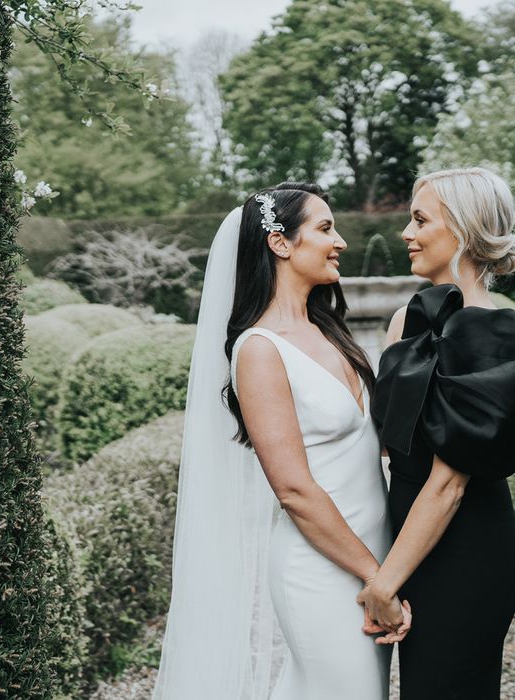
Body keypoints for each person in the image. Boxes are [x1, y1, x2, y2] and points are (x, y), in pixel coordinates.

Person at [153, 182, 409, 700]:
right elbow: (293, 489)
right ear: (280, 244)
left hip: (374, 558)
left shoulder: (329, 330)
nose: (339, 241)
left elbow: (372, 443)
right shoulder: (259, 350)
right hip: (324, 567)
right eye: (324, 228)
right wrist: (375, 578)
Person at [363, 166, 515, 699]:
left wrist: (384, 584)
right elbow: (389, 442)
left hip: (465, 546)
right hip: (410, 536)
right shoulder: (407, 320)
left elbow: (449, 484)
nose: (406, 231)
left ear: (465, 230)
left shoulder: (493, 330)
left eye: (420, 219)